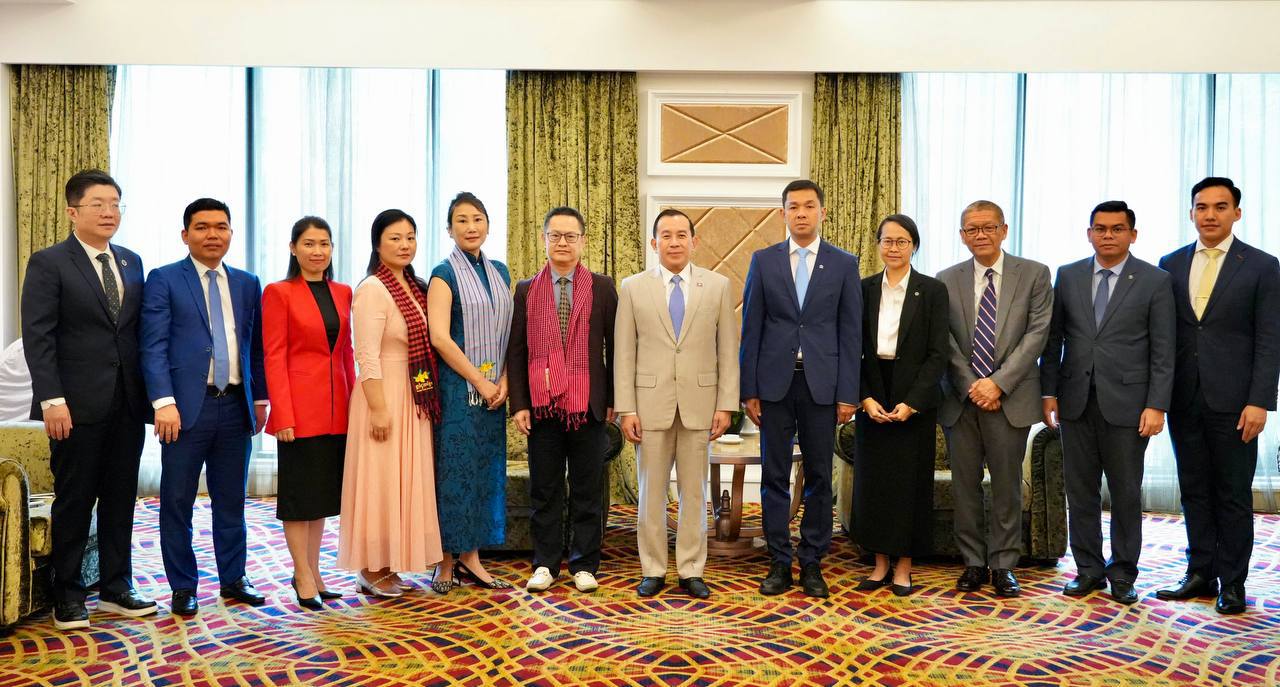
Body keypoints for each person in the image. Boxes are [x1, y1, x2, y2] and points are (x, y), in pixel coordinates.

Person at [21, 169, 156, 630]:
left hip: (127, 404)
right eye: (98, 204)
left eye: (115, 204)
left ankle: (117, 586)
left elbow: (135, 335)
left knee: (121, 499)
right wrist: (51, 399)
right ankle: (68, 593)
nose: (109, 212)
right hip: (74, 405)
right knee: (75, 500)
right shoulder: (49, 263)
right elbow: (39, 337)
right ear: (72, 212)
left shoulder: (131, 262)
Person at [1156, 177, 1280, 615]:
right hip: (1184, 398)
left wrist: (1260, 401)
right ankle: (1200, 573)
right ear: (1191, 212)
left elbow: (1270, 339)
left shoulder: (1262, 265)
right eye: (1202, 207)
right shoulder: (1170, 264)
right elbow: (1166, 335)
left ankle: (1233, 583)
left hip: (1237, 402)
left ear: (1236, 213)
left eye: (1220, 206)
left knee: (1232, 494)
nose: (1210, 215)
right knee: (1194, 490)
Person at [1040, 200, 1175, 605]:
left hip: (1130, 405)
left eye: (1117, 229)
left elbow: (1163, 350)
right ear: (1089, 234)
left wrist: (1157, 404)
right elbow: (1054, 340)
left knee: (1125, 493)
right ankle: (1088, 570)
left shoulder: (1155, 280)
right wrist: (1048, 392)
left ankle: (1123, 573)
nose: (1108, 235)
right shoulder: (1068, 275)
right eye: (1100, 228)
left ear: (1133, 234)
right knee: (1080, 492)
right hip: (1075, 401)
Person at [140, 198, 268, 616]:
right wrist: (163, 402)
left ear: (231, 232)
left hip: (234, 407)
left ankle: (234, 577)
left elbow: (255, 346)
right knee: (177, 502)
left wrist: (260, 398)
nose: (212, 234)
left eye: (220, 226)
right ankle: (183, 586)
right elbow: (153, 347)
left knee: (231, 500)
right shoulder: (164, 279)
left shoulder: (247, 283)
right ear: (185, 235)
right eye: (202, 227)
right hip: (183, 411)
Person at [740, 179, 862, 598]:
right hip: (775, 385)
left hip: (822, 387)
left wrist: (848, 393)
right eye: (793, 207)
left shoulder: (843, 263)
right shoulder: (764, 261)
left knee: (819, 476)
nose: (802, 213)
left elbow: (851, 333)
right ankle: (778, 560)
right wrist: (749, 390)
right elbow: (751, 328)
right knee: (773, 475)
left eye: (809, 206)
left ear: (822, 212)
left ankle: (812, 561)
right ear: (783, 214)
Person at [615, 208, 740, 599]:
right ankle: (652, 569)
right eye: (666, 235)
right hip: (649, 406)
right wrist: (626, 408)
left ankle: (691, 569)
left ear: (693, 241)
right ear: (654, 243)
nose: (674, 242)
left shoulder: (717, 286)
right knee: (651, 494)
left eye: (681, 235)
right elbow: (623, 352)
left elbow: (727, 350)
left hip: (700, 405)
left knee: (694, 492)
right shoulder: (632, 287)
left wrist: (726, 405)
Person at [937, 200, 1052, 598]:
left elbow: (1037, 333)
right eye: (972, 229)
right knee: (964, 485)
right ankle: (972, 562)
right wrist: (973, 384)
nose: (980, 235)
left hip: (1010, 398)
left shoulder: (1034, 274)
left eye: (988, 227)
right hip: (961, 399)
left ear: (1004, 230)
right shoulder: (945, 279)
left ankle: (1003, 565)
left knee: (1006, 485)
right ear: (962, 236)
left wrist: (998, 384)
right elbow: (944, 340)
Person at [507, 206, 617, 594]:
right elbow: (516, 351)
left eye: (571, 236)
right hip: (543, 407)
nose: (563, 243)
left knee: (587, 489)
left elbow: (615, 348)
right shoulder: (526, 290)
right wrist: (520, 403)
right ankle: (545, 563)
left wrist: (613, 399)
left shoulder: (602, 287)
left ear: (583, 241)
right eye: (555, 235)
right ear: (544, 239)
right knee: (545, 489)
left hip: (588, 405)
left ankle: (584, 564)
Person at [337, 209, 445, 598]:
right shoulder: (373, 288)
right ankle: (370, 568)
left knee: (402, 480)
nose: (405, 245)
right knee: (380, 481)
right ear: (377, 244)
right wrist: (379, 408)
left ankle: (390, 563)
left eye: (410, 237)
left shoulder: (414, 286)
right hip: (381, 395)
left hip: (412, 394)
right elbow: (365, 355)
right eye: (395, 238)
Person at [262, 216, 355, 609]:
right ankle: (301, 574)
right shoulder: (278, 292)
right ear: (293, 248)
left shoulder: (343, 292)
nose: (318, 251)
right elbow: (274, 356)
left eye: (324, 244)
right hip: (298, 413)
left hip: (337, 412)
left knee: (321, 498)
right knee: (300, 499)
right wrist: (282, 414)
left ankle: (315, 572)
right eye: (309, 244)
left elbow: (346, 353)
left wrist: (356, 407)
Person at [853, 214, 949, 597]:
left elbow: (938, 354)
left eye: (902, 241)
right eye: (887, 241)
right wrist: (864, 398)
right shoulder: (863, 289)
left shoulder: (932, 290)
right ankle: (879, 564)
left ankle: (905, 565)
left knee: (910, 485)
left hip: (915, 397)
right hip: (873, 392)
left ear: (914, 246)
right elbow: (852, 348)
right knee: (874, 484)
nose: (893, 248)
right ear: (877, 245)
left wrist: (913, 402)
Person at [425, 193, 514, 593]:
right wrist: (480, 381)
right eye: (461, 220)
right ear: (449, 229)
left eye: (477, 218)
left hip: (494, 393)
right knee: (453, 472)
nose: (471, 227)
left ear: (488, 225)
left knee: (483, 471)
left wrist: (505, 380)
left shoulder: (500, 272)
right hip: (458, 392)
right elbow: (440, 337)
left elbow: (509, 333)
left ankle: (472, 558)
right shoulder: (443, 274)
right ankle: (445, 562)